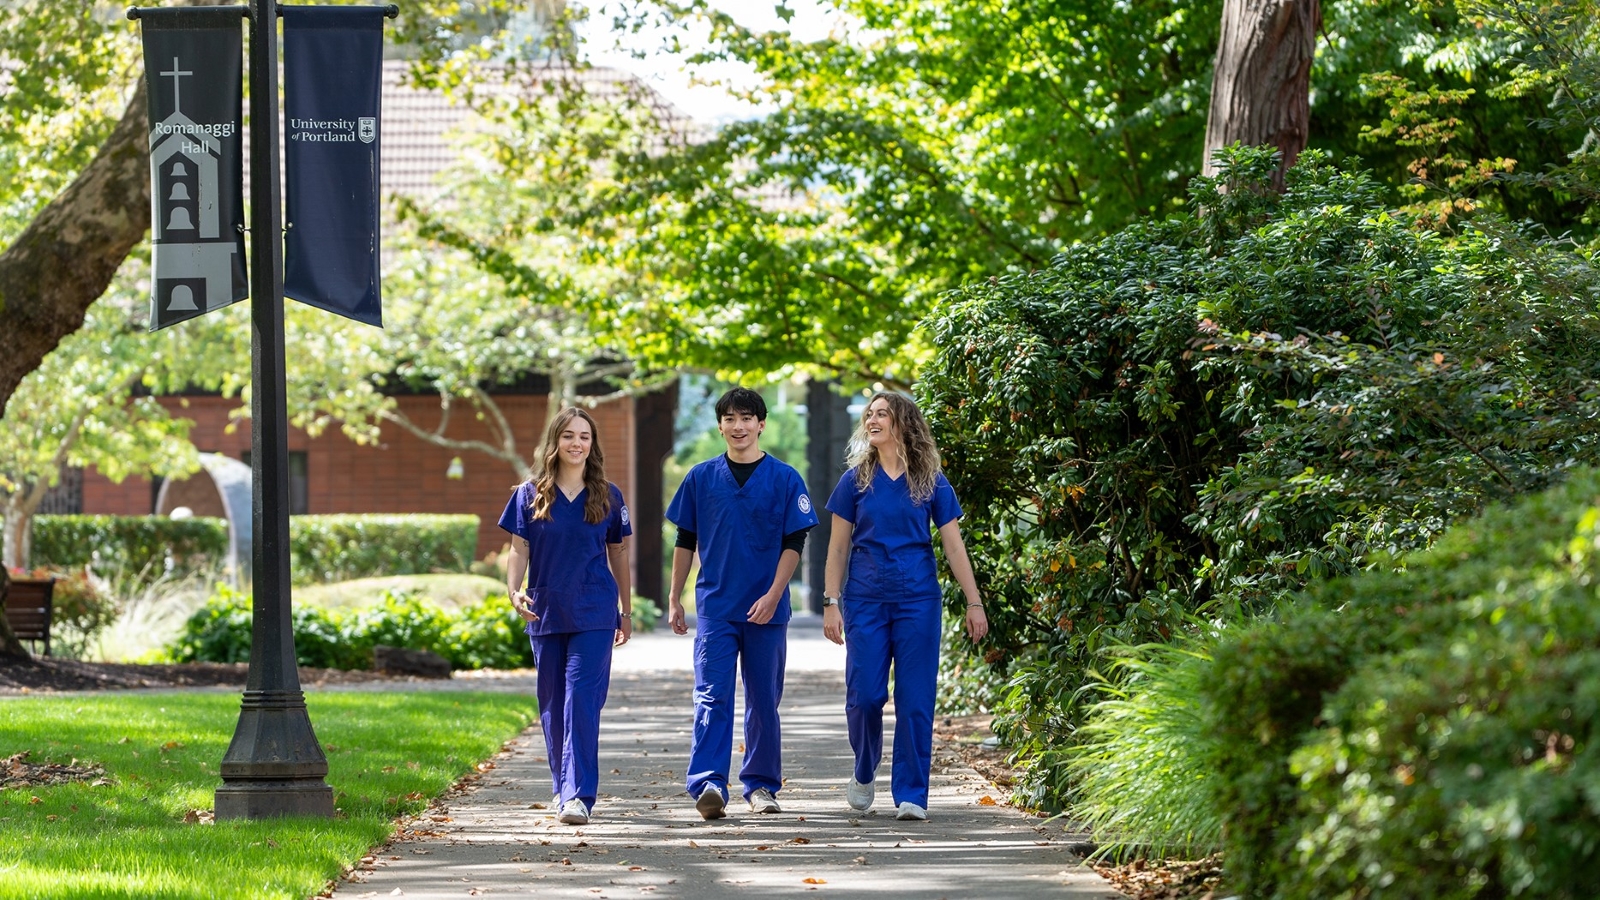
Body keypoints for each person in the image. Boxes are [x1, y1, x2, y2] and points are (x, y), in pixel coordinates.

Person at [821, 391, 988, 821]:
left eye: (882, 414)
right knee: (865, 697)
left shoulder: (931, 481)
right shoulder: (854, 481)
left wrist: (974, 602)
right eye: (870, 414)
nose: (872, 420)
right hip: (865, 600)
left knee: (915, 700)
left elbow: (953, 546)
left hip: (918, 601)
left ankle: (911, 793)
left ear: (902, 424)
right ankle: (863, 768)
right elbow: (837, 549)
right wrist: (831, 601)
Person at [666, 387, 818, 819]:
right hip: (716, 606)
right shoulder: (700, 477)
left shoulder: (786, 478)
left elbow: (795, 540)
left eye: (747, 418)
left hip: (767, 610)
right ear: (720, 426)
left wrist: (773, 595)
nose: (738, 426)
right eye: (730, 418)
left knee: (763, 700)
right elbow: (685, 539)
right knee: (711, 695)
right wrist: (675, 598)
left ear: (761, 424)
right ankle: (710, 782)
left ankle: (761, 786)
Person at [498, 407, 633, 827]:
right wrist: (513, 592)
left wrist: (625, 611)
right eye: (569, 436)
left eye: (585, 437)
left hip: (594, 609)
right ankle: (563, 787)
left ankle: (578, 795)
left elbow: (619, 553)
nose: (577, 444)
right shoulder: (527, 494)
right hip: (546, 609)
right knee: (552, 702)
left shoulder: (608, 495)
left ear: (593, 446)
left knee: (581, 699)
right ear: (555, 441)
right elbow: (519, 549)